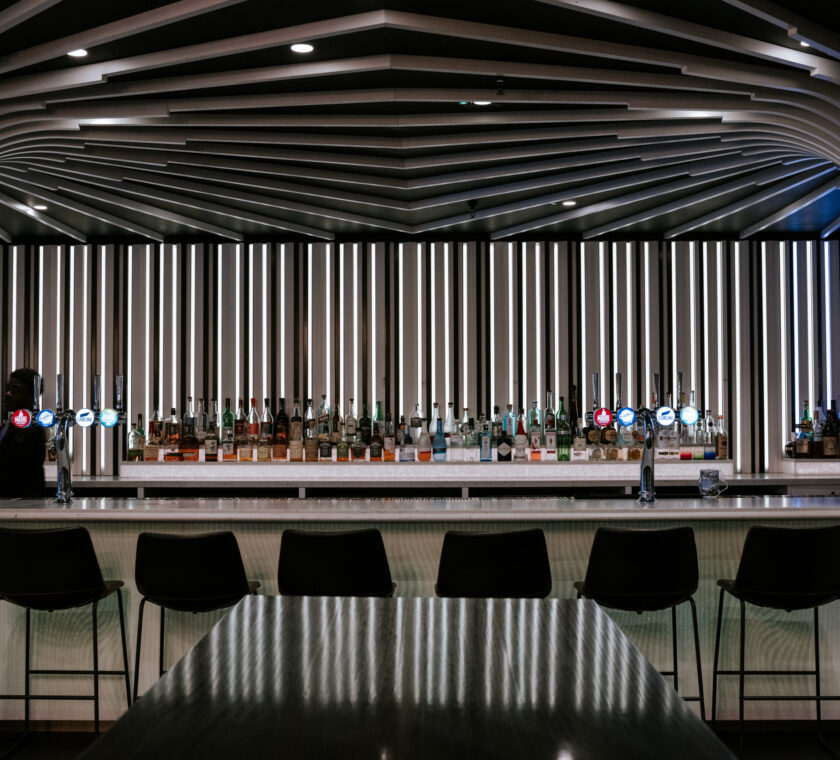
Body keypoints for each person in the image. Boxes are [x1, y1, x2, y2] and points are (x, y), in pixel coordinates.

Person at [0, 368, 46, 498]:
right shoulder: (10, 423)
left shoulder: (29, 429)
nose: (8, 394)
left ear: (32, 396)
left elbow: (9, 469)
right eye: (8, 388)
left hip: (20, 502)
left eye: (17, 390)